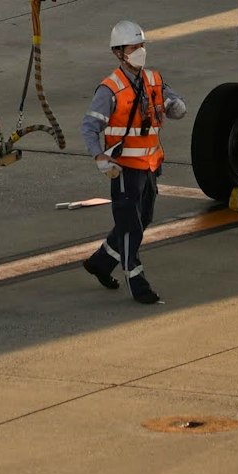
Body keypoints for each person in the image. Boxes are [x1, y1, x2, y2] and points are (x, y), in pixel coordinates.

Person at [81, 19, 169, 306]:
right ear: (119, 52)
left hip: (150, 165)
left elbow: (169, 98)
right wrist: (100, 158)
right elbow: (89, 128)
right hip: (125, 169)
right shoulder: (109, 90)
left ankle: (100, 262)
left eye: (142, 45)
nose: (141, 51)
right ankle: (137, 282)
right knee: (131, 226)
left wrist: (175, 104)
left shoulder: (152, 80)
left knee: (143, 219)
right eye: (135, 47)